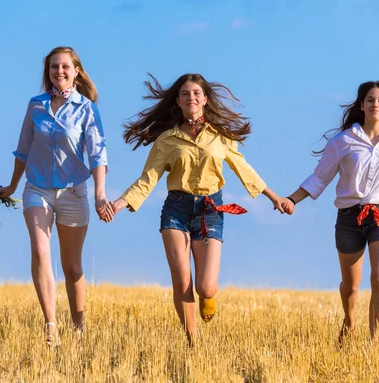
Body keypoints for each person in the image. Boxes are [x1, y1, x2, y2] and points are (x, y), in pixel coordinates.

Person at [109, 73, 292, 345]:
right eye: (185, 93)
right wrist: (121, 203)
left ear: (205, 99)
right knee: (182, 281)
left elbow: (243, 168)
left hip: (210, 210)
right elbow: (148, 178)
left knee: (205, 287)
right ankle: (192, 341)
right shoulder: (167, 140)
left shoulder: (221, 136)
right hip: (176, 210)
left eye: (196, 93)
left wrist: (273, 196)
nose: (191, 97)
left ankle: (208, 299)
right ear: (178, 101)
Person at [284, 81, 379, 343]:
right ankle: (349, 322)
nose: (375, 104)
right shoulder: (343, 141)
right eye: (370, 100)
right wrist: (291, 200)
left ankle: (374, 342)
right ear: (362, 105)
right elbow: (319, 178)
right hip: (349, 217)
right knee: (351, 285)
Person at [0, 46, 113, 345]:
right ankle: (51, 325)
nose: (58, 72)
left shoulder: (87, 109)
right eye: (53, 67)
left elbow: (98, 154)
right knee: (40, 250)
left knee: (72, 267)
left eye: (64, 67)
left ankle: (79, 324)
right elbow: (23, 149)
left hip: (74, 192)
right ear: (47, 72)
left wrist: (101, 195)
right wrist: (12, 186)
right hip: (37, 189)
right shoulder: (35, 106)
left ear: (76, 71)